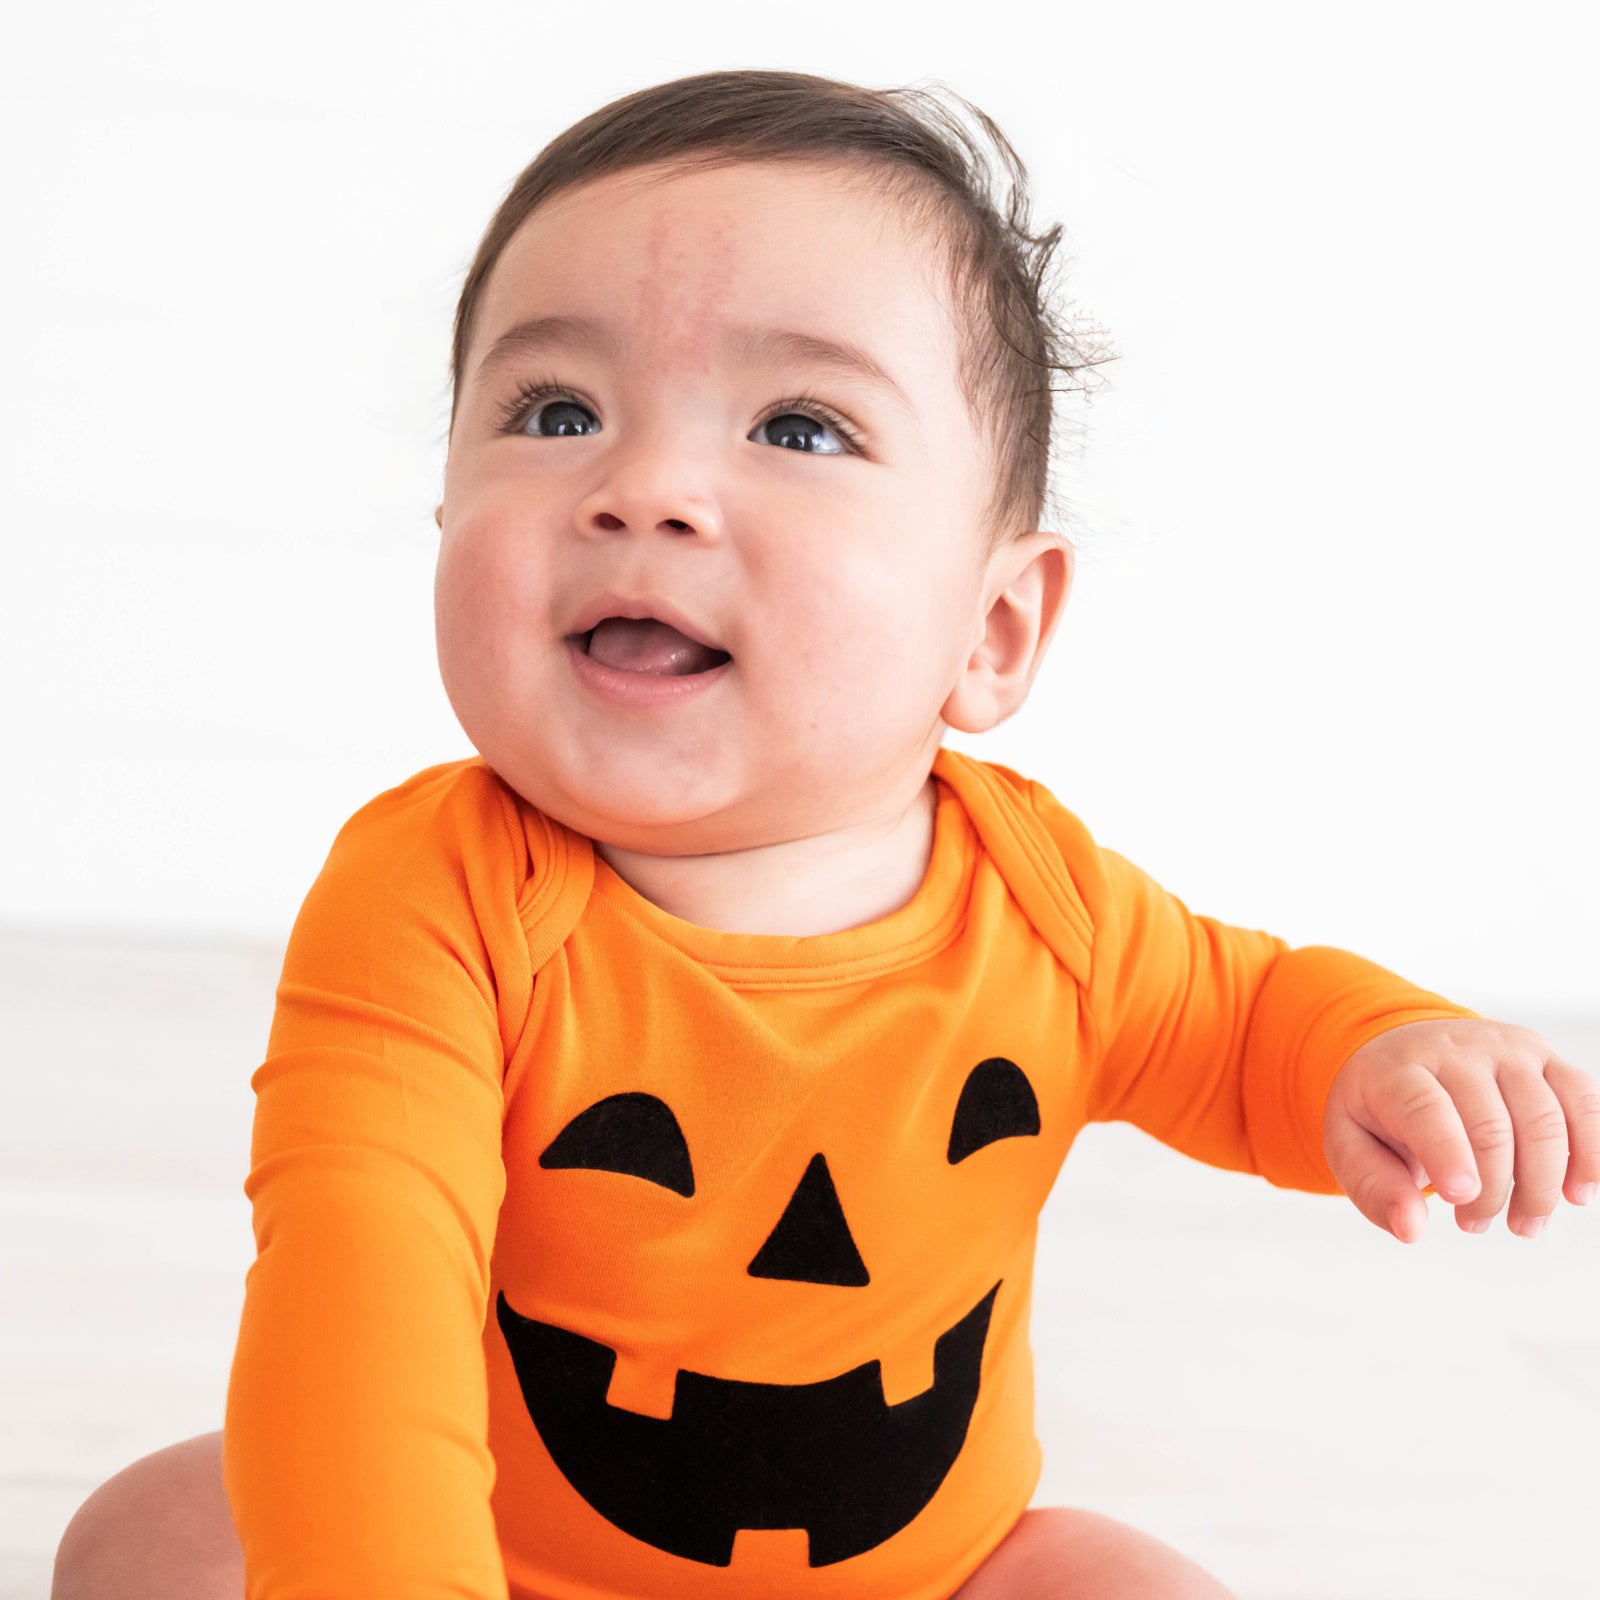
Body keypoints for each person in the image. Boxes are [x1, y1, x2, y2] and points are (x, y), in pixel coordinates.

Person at [52, 68, 1597, 1600]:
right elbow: (360, 1282)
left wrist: (1384, 1053)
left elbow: (1242, 1014)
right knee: (151, 1538)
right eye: (557, 410)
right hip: (500, 1562)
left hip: (926, 1572)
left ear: (990, 630)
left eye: (798, 428)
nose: (643, 489)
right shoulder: (436, 901)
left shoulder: (1038, 904)